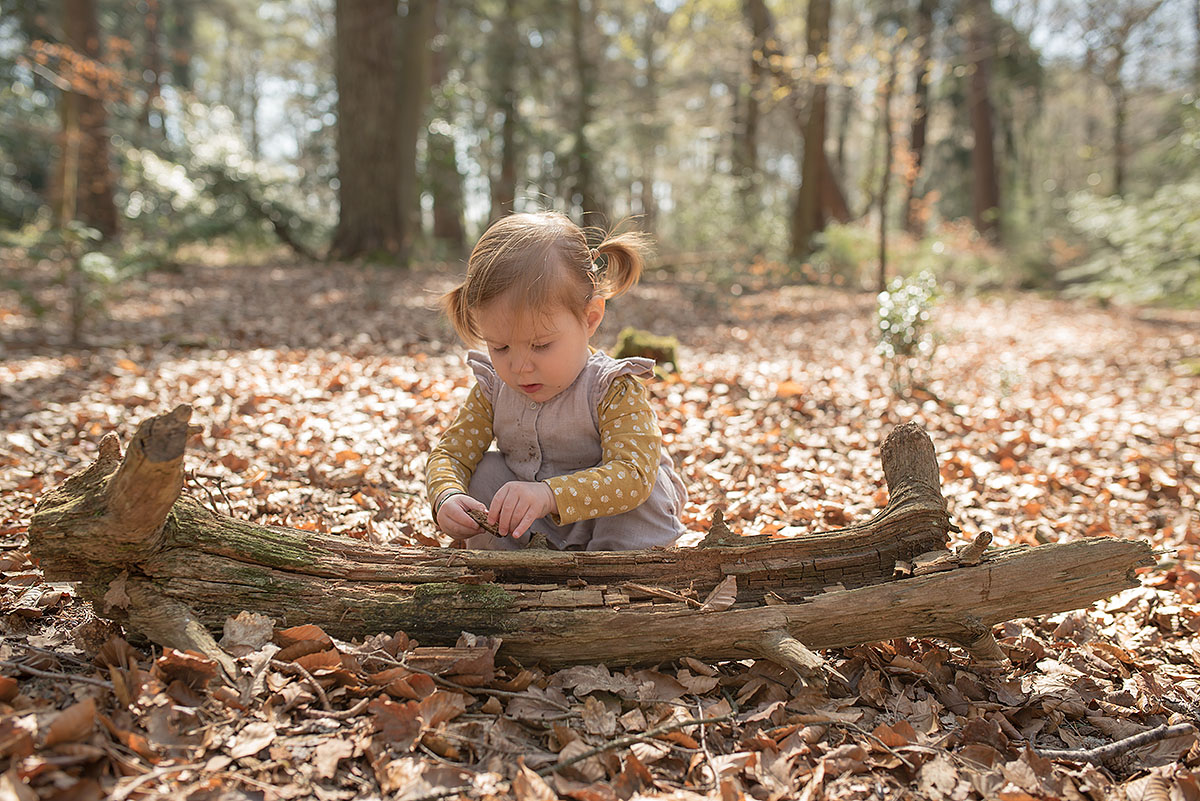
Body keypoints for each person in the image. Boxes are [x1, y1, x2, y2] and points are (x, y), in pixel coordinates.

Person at [425, 212, 688, 551]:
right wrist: (446, 495)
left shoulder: (611, 387)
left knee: (645, 487)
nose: (520, 367)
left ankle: (619, 576)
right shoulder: (494, 389)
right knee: (482, 471)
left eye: (541, 345)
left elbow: (633, 474)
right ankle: (516, 571)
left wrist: (550, 495)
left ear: (590, 318)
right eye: (500, 346)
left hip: (613, 525)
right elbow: (451, 454)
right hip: (533, 525)